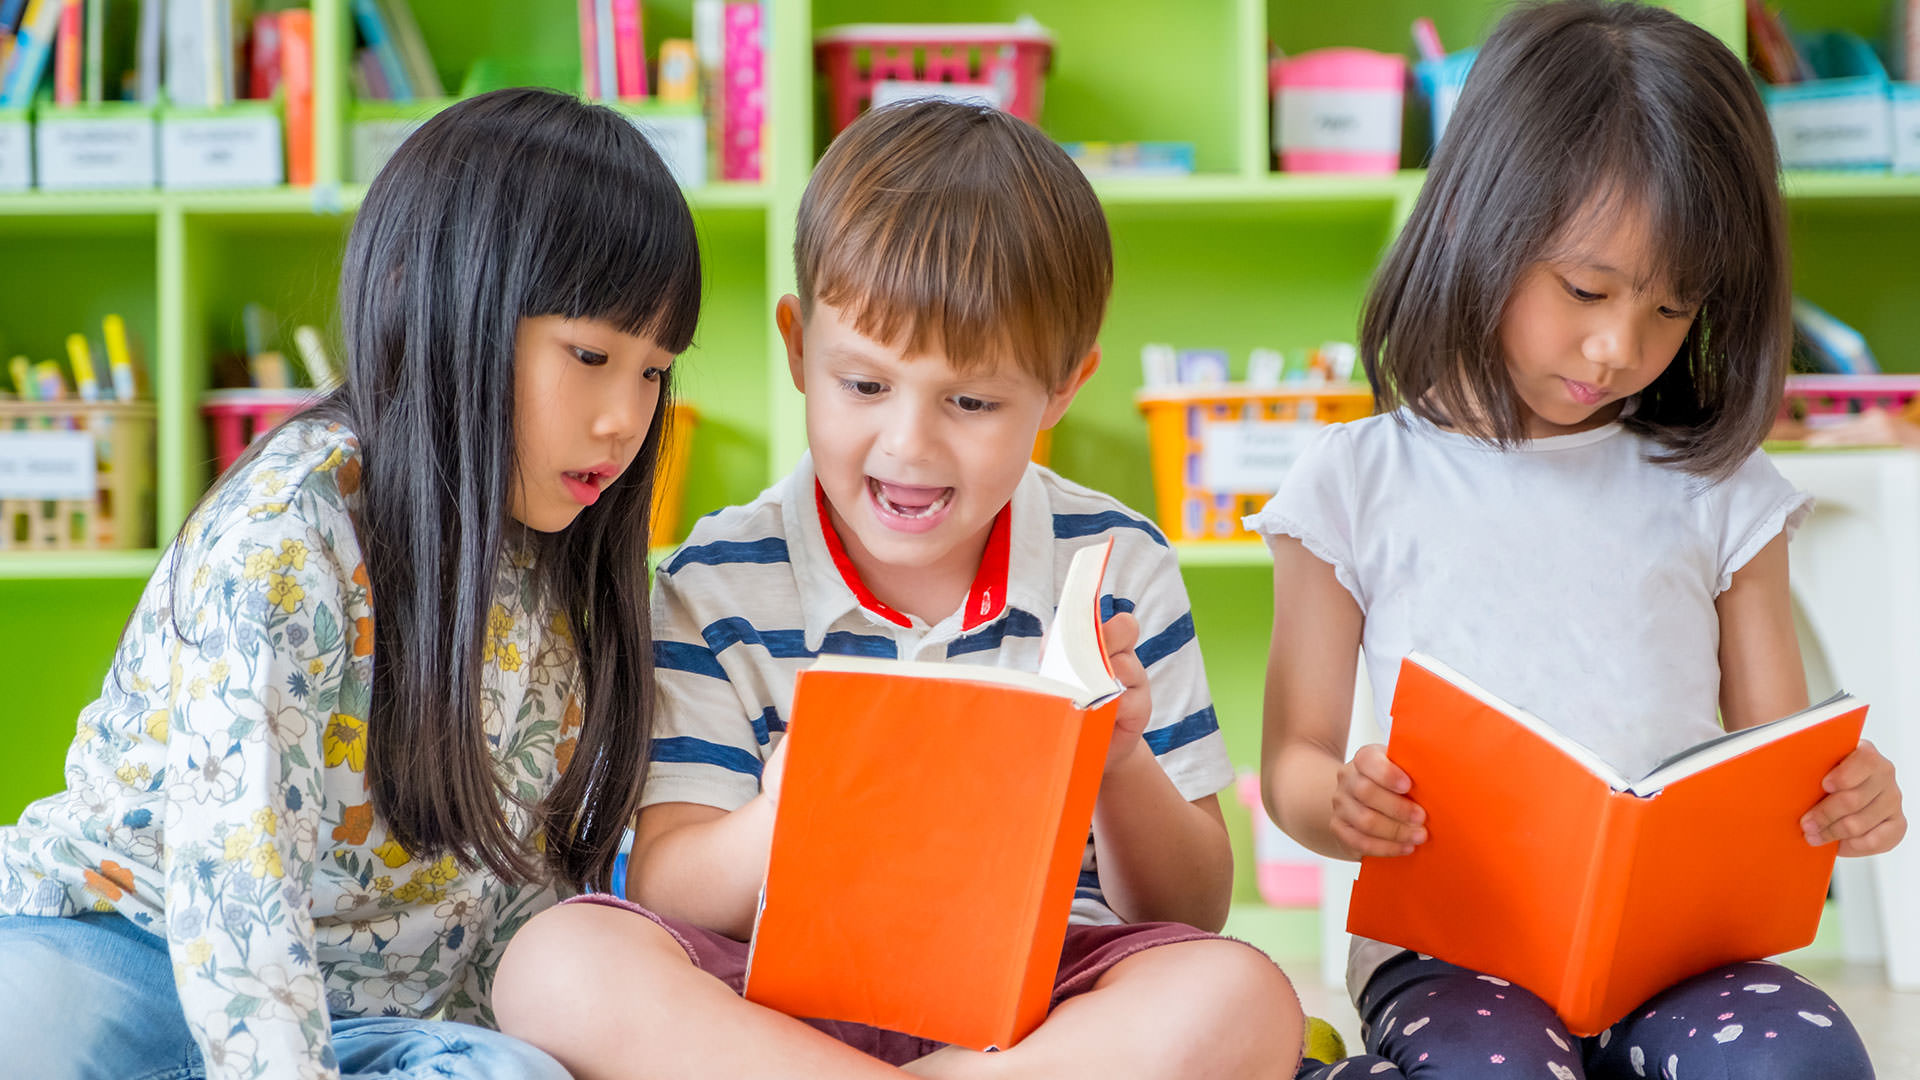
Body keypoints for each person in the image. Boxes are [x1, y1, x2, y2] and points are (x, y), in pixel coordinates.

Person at [492, 99, 1306, 1080]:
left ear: (1061, 389)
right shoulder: (717, 582)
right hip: (773, 1009)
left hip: (1043, 1004)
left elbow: (1189, 910)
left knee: (1244, 995)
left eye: (971, 402)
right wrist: (785, 814)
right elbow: (668, 880)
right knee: (555, 963)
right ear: (799, 349)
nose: (910, 445)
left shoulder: (1116, 564)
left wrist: (1121, 763)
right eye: (865, 386)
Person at [1253, 5, 1905, 1078]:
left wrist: (1845, 796)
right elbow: (1292, 762)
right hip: (1456, 951)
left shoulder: (1724, 490)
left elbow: (1779, 762)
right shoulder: (1355, 481)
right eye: (1586, 289)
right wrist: (1339, 802)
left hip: (1686, 955)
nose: (1618, 347)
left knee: (1803, 1064)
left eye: (1672, 309)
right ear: (1474, 221)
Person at [0, 86, 702, 1080]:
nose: (624, 419)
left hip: (367, 1010)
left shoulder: (560, 574)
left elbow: (514, 902)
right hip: (127, 943)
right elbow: (234, 873)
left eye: (653, 372)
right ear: (436, 306)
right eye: (590, 355)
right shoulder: (290, 530)